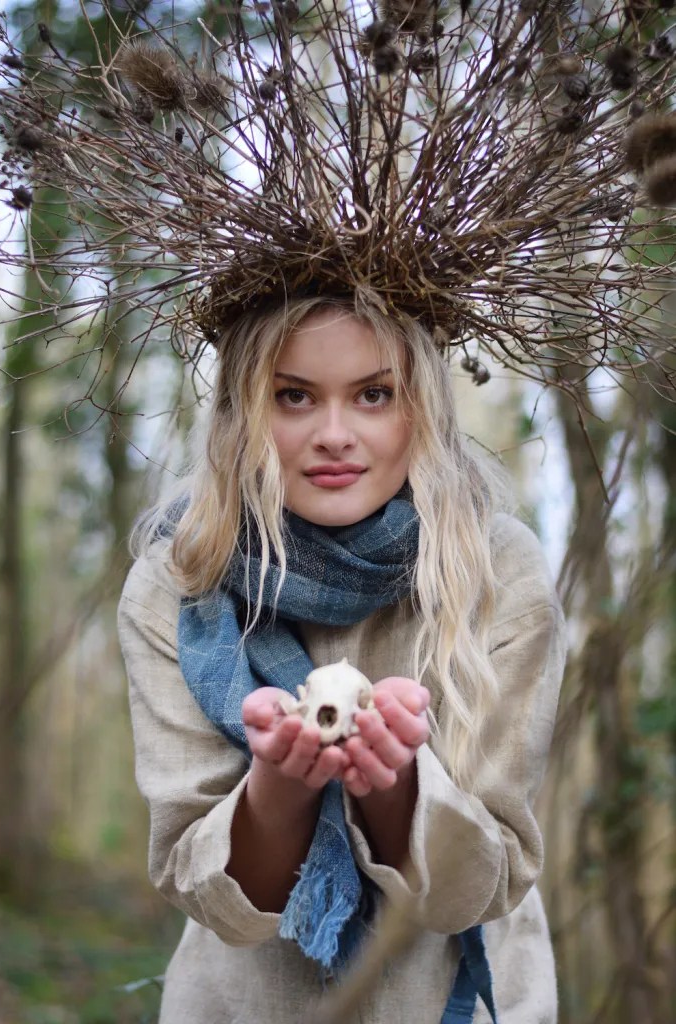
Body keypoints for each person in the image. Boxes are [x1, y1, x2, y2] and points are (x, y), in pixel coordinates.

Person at [118, 294, 566, 1024]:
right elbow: (205, 893)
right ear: (241, 412)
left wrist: (392, 789)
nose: (334, 434)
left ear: (421, 408)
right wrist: (282, 791)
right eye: (292, 396)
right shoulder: (178, 582)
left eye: (373, 395)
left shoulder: (496, 572)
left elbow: (480, 888)